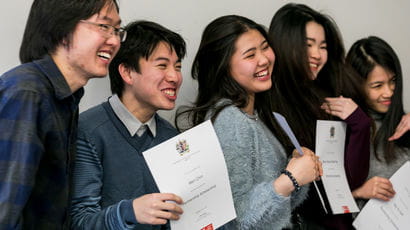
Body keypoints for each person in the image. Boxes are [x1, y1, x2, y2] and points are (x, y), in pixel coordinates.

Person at [176, 15, 322, 230]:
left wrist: (298, 171)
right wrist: (290, 178)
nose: (264, 59)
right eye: (250, 55)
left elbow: (283, 205)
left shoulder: (253, 114)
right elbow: (240, 219)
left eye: (265, 48)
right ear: (224, 66)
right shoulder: (231, 120)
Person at [0, 0, 123, 228]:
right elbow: (4, 211)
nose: (114, 40)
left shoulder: (66, 97)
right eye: (103, 26)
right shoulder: (28, 93)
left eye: (117, 30)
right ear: (63, 29)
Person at [70, 20, 186, 229]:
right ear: (127, 72)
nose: (175, 76)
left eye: (177, 67)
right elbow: (80, 221)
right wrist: (130, 212)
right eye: (162, 65)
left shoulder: (172, 138)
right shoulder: (87, 131)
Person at [268, 3, 372, 229]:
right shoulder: (269, 104)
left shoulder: (329, 98)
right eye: (308, 45)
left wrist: (359, 123)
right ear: (286, 44)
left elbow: (349, 178)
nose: (317, 55)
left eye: (323, 46)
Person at [344, 36, 410, 208]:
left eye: (393, 81)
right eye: (377, 85)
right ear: (357, 86)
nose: (388, 92)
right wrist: (358, 193)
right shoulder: (344, 131)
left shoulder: (404, 124)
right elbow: (324, 205)